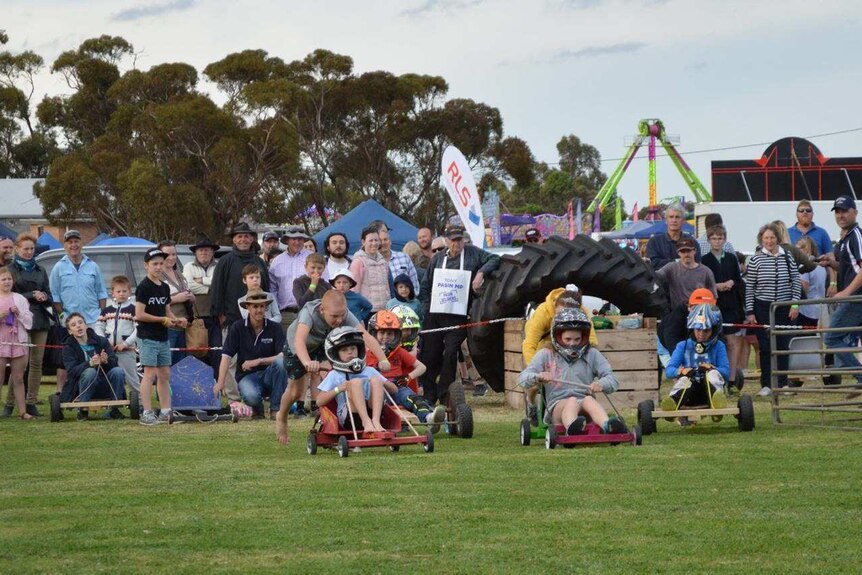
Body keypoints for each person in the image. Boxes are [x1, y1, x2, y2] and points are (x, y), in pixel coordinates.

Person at [275, 290, 390, 444]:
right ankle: (281, 416)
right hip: (298, 347)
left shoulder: (343, 313)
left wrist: (383, 359)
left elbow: (365, 336)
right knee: (296, 392)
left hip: (325, 345)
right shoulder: (309, 313)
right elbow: (299, 341)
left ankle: (334, 419)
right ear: (322, 310)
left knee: (333, 377)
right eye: (335, 316)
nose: (339, 319)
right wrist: (307, 362)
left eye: (342, 315)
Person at [418, 225, 500, 405]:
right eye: (453, 240)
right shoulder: (437, 259)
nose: (457, 243)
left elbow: (494, 258)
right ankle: (429, 394)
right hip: (435, 314)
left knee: (450, 352)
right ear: (446, 241)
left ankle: (445, 392)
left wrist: (480, 273)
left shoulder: (473, 254)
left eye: (460, 239)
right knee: (430, 354)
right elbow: (425, 287)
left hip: (458, 316)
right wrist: (426, 309)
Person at [518, 308, 626, 435]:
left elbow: (612, 379)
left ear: (584, 337)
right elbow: (522, 379)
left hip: (584, 403)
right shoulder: (545, 354)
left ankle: (608, 426)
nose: (572, 344)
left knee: (589, 400)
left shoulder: (592, 354)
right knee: (572, 401)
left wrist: (602, 384)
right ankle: (572, 428)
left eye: (577, 339)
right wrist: (538, 376)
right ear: (557, 336)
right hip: (557, 406)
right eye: (567, 339)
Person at [522, 287, 598, 425]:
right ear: (555, 306)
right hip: (544, 349)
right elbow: (529, 343)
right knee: (534, 385)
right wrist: (536, 371)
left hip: (572, 348)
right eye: (561, 313)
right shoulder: (543, 313)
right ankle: (531, 404)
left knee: (586, 380)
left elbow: (591, 341)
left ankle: (588, 412)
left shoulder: (584, 313)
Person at [745, 222, 802, 396]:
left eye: (772, 237)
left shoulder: (788, 257)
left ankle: (783, 383)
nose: (769, 241)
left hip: (784, 308)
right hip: (763, 307)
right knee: (766, 346)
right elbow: (750, 287)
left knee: (783, 345)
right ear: (762, 240)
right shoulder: (755, 259)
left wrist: (794, 304)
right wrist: (750, 311)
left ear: (777, 238)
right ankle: (767, 384)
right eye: (766, 238)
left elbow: (795, 281)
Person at [364, 310, 445, 430]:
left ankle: (429, 418)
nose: (385, 337)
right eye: (382, 333)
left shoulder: (399, 351)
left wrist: (408, 377)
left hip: (398, 386)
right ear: (373, 333)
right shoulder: (366, 353)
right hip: (376, 388)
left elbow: (422, 367)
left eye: (390, 333)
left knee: (413, 399)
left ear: (396, 335)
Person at [214, 291, 287, 418]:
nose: (259, 310)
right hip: (247, 376)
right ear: (247, 307)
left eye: (261, 306)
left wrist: (259, 361)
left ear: (266, 307)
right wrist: (220, 383)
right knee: (251, 396)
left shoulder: (275, 327)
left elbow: (283, 356)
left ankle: (276, 409)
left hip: (269, 375)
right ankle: (257, 409)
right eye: (255, 306)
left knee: (281, 364)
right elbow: (226, 356)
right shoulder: (238, 327)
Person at [136, 248, 187, 426]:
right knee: (149, 374)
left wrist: (176, 320)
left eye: (161, 263)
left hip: (162, 337)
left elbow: (167, 311)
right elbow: (139, 314)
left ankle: (166, 411)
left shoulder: (164, 287)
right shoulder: (143, 287)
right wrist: (163, 320)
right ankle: (147, 412)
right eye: (154, 264)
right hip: (147, 337)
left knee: (164, 374)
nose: (158, 267)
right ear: (146, 266)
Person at [5, 233, 52, 417]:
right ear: (17, 249)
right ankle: (10, 404)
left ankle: (31, 401)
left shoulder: (41, 270)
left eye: (32, 249)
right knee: (18, 364)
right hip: (18, 320)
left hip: (40, 319)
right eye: (25, 248)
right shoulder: (10, 269)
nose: (29, 252)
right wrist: (32, 295)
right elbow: (8, 294)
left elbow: (48, 292)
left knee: (37, 363)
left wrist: (44, 296)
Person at [819, 195, 862, 386]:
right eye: (837, 211)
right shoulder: (845, 238)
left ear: (855, 212)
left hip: (856, 297)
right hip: (853, 296)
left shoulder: (856, 236)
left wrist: (846, 292)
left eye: (844, 210)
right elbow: (850, 267)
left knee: (831, 336)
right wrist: (832, 263)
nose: (840, 215)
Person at [314, 326, 388, 434]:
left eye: (353, 348)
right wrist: (339, 389)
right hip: (350, 418)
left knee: (376, 380)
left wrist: (382, 383)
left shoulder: (369, 370)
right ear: (335, 353)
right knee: (355, 382)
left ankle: (376, 421)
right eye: (344, 350)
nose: (350, 352)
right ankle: (366, 421)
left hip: (374, 412)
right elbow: (319, 401)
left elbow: (394, 390)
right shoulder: (335, 375)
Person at [663, 305, 730, 420]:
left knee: (712, 374)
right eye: (698, 329)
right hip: (689, 394)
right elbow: (669, 370)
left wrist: (712, 368)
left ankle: (717, 401)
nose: (701, 334)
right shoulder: (683, 346)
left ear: (714, 329)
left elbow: (726, 372)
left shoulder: (719, 346)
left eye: (706, 330)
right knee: (684, 379)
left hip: (708, 393)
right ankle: (673, 402)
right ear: (692, 328)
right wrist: (681, 371)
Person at [700, 225, 745, 390]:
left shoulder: (731, 258)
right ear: (709, 240)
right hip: (714, 305)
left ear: (724, 239)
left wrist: (731, 282)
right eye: (714, 238)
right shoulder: (705, 260)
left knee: (732, 342)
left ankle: (732, 379)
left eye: (720, 238)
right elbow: (703, 282)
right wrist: (716, 286)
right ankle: (714, 377)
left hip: (731, 304)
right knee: (713, 342)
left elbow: (738, 279)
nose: (717, 241)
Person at [61, 312, 127, 421]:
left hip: (105, 383)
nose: (78, 326)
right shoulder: (68, 347)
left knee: (118, 371)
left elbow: (114, 361)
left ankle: (114, 410)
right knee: (90, 372)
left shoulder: (101, 341)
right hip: (81, 387)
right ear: (70, 331)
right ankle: (83, 410)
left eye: (80, 322)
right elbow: (72, 372)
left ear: (86, 325)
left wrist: (106, 361)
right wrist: (90, 364)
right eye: (73, 325)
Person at [211, 222, 269, 330]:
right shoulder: (224, 262)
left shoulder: (260, 262)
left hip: (257, 320)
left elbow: (266, 288)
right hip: (232, 320)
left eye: (246, 236)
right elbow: (217, 289)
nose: (243, 239)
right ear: (234, 239)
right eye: (239, 236)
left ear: (252, 239)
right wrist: (221, 316)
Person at [50, 229, 107, 330]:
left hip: (93, 320)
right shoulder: (58, 268)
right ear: (65, 246)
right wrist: (63, 316)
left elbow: (101, 292)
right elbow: (55, 295)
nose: (73, 245)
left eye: (76, 241)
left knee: (97, 346)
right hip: (71, 321)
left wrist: (102, 316)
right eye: (70, 242)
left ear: (81, 244)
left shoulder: (93, 266)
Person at [183, 236, 221, 378]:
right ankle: (197, 382)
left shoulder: (219, 266)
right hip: (196, 318)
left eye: (207, 250)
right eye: (201, 250)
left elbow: (220, 285)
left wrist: (202, 281)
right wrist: (210, 288)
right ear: (196, 253)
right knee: (196, 351)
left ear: (212, 252)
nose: (204, 253)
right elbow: (189, 286)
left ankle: (217, 382)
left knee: (216, 351)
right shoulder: (188, 267)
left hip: (215, 317)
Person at [94, 275, 139, 392]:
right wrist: (104, 343)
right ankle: (115, 403)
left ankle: (139, 403)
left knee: (131, 378)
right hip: (109, 352)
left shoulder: (133, 309)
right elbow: (98, 327)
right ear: (112, 293)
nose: (121, 294)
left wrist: (126, 343)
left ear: (130, 292)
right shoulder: (106, 310)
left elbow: (138, 329)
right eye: (118, 291)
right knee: (112, 377)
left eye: (124, 291)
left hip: (127, 351)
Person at [0, 266, 34, 420]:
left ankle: (22, 411)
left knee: (18, 378)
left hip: (18, 342)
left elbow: (29, 323)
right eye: (3, 279)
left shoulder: (20, 299)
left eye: (9, 279)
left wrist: (19, 313)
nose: (7, 282)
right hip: (1, 343)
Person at [269, 225, 312, 331]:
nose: (297, 242)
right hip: (285, 314)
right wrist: (275, 310)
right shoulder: (277, 261)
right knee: (285, 346)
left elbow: (322, 283)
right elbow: (272, 288)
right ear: (287, 240)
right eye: (294, 239)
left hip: (309, 313)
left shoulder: (312, 258)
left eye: (300, 239)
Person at [158, 240, 194, 365]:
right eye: (167, 254)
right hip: (168, 325)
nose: (171, 257)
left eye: (174, 254)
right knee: (167, 362)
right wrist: (175, 299)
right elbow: (154, 301)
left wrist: (191, 296)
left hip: (184, 325)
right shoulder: (157, 276)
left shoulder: (179, 273)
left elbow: (187, 291)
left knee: (182, 363)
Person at [654, 236, 716, 308]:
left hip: (699, 313)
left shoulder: (706, 271)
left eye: (689, 251)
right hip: (679, 313)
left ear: (694, 251)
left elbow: (713, 297)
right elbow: (656, 276)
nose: (686, 254)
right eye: (683, 251)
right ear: (678, 253)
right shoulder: (671, 268)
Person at [646, 204, 700, 270]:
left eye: (677, 217)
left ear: (683, 221)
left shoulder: (692, 242)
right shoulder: (654, 242)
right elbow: (654, 264)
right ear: (666, 220)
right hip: (662, 279)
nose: (674, 220)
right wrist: (678, 261)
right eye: (671, 217)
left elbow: (697, 265)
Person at [349, 225, 391, 312]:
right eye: (370, 240)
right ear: (363, 242)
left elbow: (387, 286)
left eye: (376, 240)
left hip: (385, 309)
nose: (374, 243)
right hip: (366, 310)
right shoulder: (358, 262)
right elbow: (354, 290)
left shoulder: (383, 261)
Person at [373, 222, 420, 295]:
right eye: (380, 240)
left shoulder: (404, 257)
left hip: (404, 303)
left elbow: (415, 284)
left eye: (385, 239)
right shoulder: (372, 262)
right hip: (383, 304)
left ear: (390, 241)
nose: (383, 243)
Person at [797, 237, 827, 328]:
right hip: (819, 310)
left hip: (805, 311)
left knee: (803, 340)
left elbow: (803, 290)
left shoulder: (805, 266)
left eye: (798, 249)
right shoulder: (821, 266)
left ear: (805, 249)